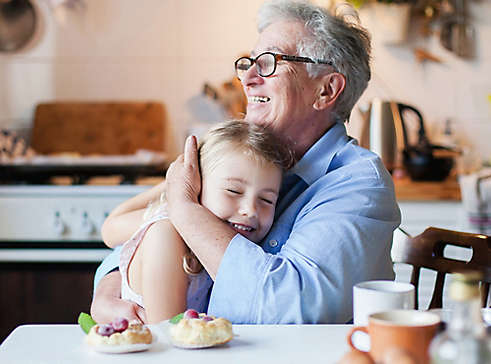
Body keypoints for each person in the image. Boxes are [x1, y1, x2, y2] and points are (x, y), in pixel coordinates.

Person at [91, 0, 401, 324]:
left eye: (269, 62)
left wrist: (185, 210)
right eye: (250, 62)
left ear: (326, 90)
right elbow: (144, 237)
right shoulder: (242, 162)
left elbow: (288, 311)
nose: (248, 77)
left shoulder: (358, 185)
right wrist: (112, 287)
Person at [102, 120, 292, 323]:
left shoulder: (241, 246)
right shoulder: (166, 233)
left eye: (266, 200)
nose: (250, 210)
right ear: (197, 185)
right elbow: (170, 335)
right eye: (233, 191)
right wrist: (173, 185)